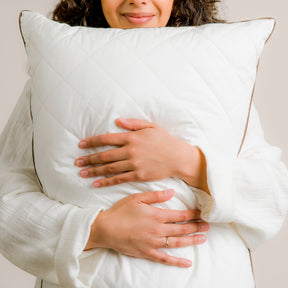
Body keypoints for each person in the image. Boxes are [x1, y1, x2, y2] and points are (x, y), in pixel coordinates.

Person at [0, 0, 287, 287]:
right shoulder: (56, 79)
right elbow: (7, 199)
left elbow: (273, 195)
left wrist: (187, 162)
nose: (137, 0)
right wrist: (97, 229)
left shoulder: (215, 76)